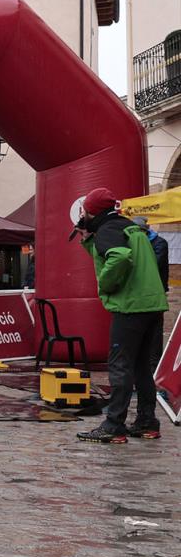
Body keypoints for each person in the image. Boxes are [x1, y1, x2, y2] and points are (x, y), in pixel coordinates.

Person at [76, 189, 167, 443]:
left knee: (120, 365)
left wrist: (105, 285)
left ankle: (113, 425)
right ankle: (147, 422)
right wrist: (88, 240)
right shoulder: (129, 228)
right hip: (151, 305)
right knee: (141, 367)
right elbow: (112, 254)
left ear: (92, 211)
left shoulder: (108, 230)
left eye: (85, 210)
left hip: (130, 307)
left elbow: (119, 257)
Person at [133, 217, 170, 291]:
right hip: (139, 285)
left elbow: (156, 263)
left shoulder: (159, 243)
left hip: (156, 285)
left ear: (144, 231)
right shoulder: (134, 241)